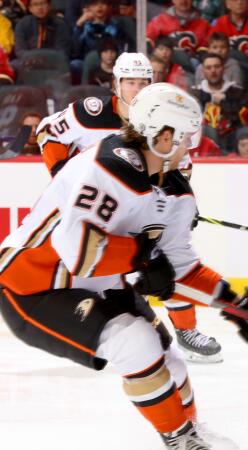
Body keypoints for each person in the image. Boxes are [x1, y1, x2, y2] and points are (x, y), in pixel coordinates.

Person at [0, 82, 248, 450]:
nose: (193, 146)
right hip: (32, 285)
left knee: (169, 360)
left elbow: (181, 268)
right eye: (188, 137)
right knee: (134, 341)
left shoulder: (175, 190)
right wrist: (141, 256)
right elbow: (77, 250)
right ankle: (178, 439)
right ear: (164, 135)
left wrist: (241, 306)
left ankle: (189, 429)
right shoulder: (104, 165)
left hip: (100, 282)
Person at [36, 53, 225, 363]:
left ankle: (187, 331)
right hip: (98, 209)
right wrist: (62, 177)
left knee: (166, 260)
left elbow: (181, 166)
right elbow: (47, 132)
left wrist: (178, 205)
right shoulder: (92, 113)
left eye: (143, 82)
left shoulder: (163, 117)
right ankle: (93, 333)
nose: (137, 89)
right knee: (91, 269)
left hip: (140, 207)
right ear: (116, 84)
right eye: (130, 82)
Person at [191, 52, 248, 152]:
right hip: (206, 147)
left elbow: (247, 120)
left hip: (233, 143)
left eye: (217, 66)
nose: (213, 71)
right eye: (209, 68)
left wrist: (225, 103)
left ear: (223, 69)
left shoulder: (238, 92)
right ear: (203, 71)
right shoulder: (194, 94)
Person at [146, 0, 211, 56]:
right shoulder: (160, 20)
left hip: (191, 64)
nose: (183, 1)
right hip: (164, 61)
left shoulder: (204, 24)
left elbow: (205, 46)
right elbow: (148, 38)